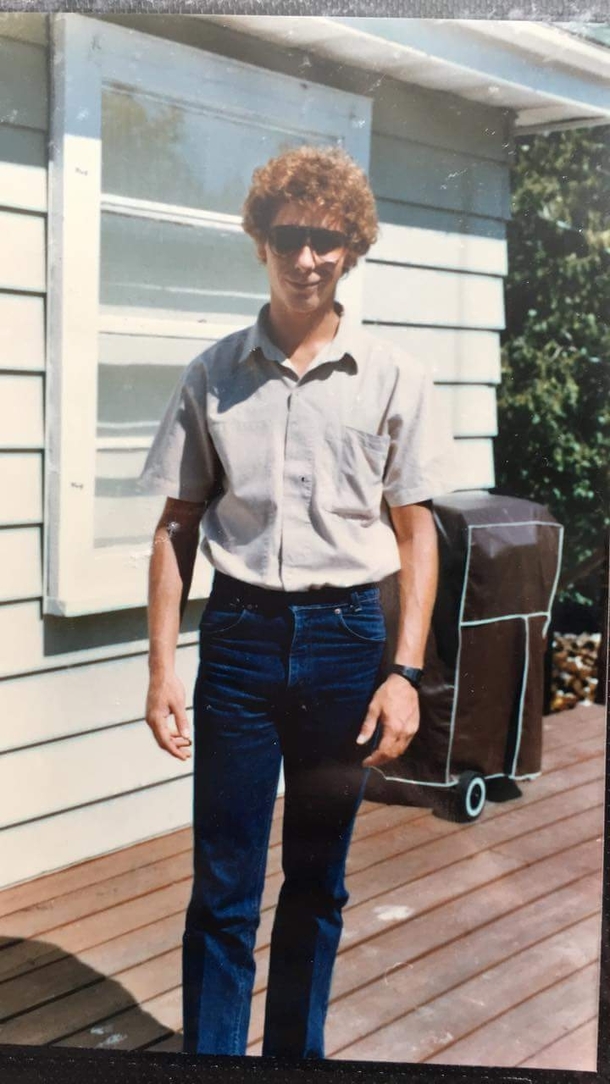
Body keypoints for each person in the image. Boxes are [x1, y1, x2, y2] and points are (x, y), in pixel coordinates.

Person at [140, 145, 453, 1059]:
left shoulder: (394, 376)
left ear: (351, 248)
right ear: (260, 242)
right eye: (289, 237)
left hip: (347, 642)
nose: (306, 257)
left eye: (326, 239)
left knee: (317, 879)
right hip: (237, 641)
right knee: (224, 888)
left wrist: (404, 671)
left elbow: (416, 534)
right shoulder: (213, 374)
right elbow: (175, 530)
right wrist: (162, 669)